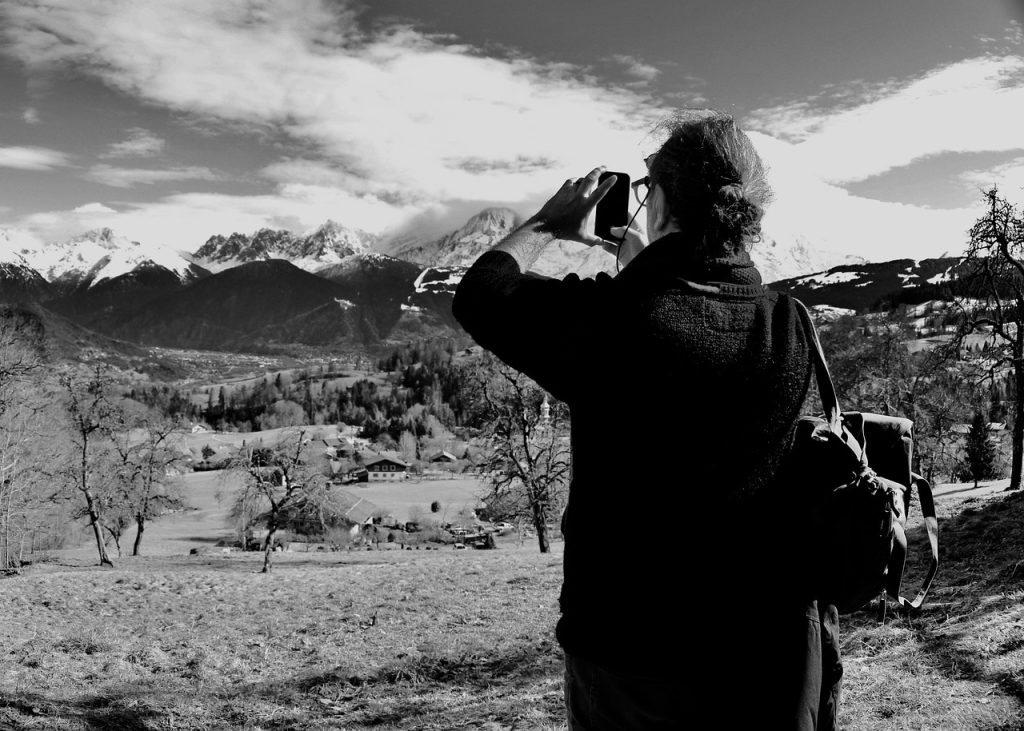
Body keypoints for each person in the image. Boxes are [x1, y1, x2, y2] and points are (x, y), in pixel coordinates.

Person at [453, 109, 841, 730]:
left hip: (632, 655)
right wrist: (649, 267)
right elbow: (714, 312)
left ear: (658, 198)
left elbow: (482, 294)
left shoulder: (617, 320)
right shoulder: (788, 324)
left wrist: (548, 223)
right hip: (762, 650)